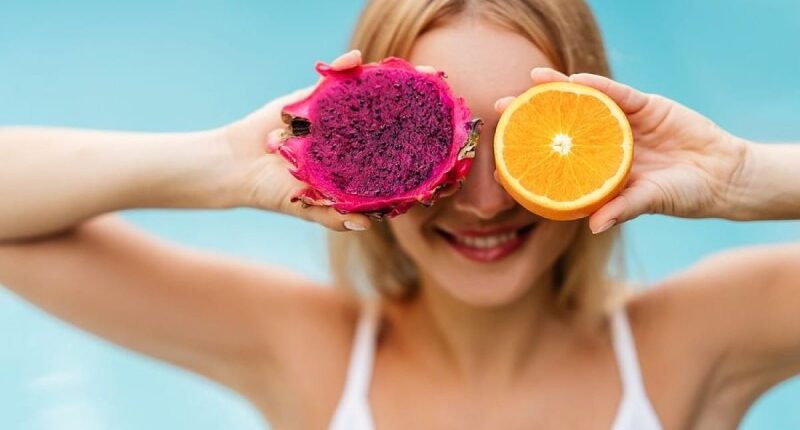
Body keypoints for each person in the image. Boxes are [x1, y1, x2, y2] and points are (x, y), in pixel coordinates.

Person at [1, 0, 799, 428]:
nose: (485, 202)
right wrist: (220, 162)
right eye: (435, 148)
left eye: (521, 144)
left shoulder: (698, 340)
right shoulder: (302, 350)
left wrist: (744, 176)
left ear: (592, 139)